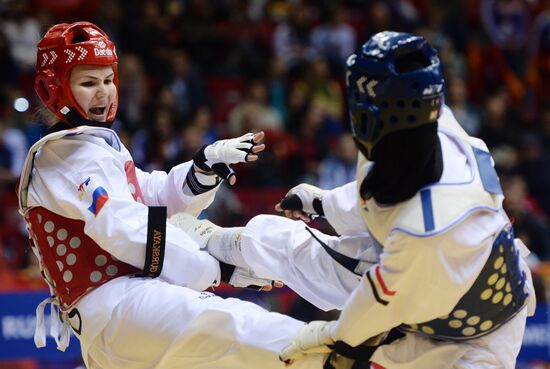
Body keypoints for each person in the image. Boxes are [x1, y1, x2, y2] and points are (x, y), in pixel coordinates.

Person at [180, 31, 536, 369]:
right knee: (279, 239)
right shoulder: (425, 125)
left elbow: (382, 302)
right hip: (421, 287)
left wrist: (340, 337)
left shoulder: (429, 227)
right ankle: (210, 242)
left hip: (477, 335)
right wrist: (322, 203)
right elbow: (382, 191)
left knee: (340, 343)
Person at [18, 21, 356, 369]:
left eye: (107, 80)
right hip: (119, 310)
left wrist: (202, 169)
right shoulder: (67, 158)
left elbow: (150, 193)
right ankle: (349, 347)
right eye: (88, 83)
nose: (103, 92)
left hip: (122, 319)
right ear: (53, 88)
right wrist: (215, 267)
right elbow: (129, 232)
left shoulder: (91, 147)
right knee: (242, 326)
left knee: (241, 340)